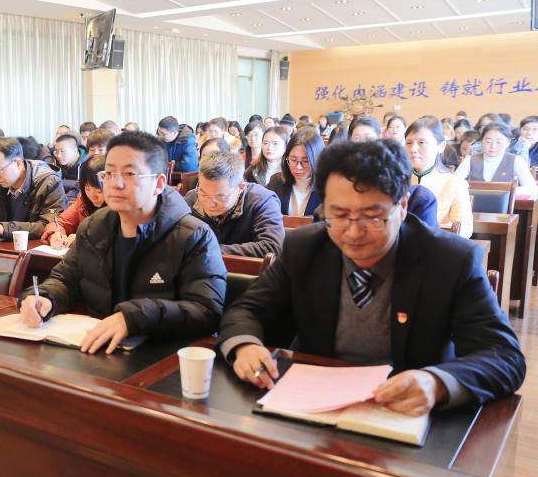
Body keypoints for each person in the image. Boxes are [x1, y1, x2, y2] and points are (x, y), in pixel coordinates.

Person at [217, 139, 525, 414]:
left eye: (373, 216)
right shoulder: (305, 247)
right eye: (339, 215)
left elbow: (504, 357)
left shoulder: (450, 260)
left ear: (402, 206)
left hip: (405, 411)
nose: (353, 232)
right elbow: (248, 309)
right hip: (315, 402)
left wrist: (437, 383)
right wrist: (246, 346)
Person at [18, 131, 226, 354]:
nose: (115, 183)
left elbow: (206, 311)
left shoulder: (193, 236)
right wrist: (46, 297)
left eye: (129, 174)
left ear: (158, 183)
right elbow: (65, 279)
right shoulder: (93, 227)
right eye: (109, 173)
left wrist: (135, 318)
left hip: (163, 356)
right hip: (97, 349)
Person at [184, 152, 283, 258]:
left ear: (240, 188)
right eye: (203, 194)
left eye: (220, 197)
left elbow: (271, 247)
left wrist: (208, 250)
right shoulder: (192, 198)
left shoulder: (262, 200)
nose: (210, 204)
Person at [404, 117, 472, 238]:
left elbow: (464, 228)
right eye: (409, 143)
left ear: (441, 146)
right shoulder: (396, 180)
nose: (413, 149)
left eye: (421, 143)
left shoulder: (455, 183)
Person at [42, 155, 105, 248]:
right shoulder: (83, 201)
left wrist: (85, 239)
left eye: (99, 191)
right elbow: (60, 223)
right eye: (87, 189)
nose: (93, 196)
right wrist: (55, 234)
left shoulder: (120, 208)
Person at [455, 122, 537, 191]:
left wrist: (511, 191)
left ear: (508, 143)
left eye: (499, 142)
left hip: (506, 204)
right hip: (473, 203)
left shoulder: (516, 161)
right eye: (488, 141)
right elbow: (454, 183)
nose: (493, 146)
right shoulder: (470, 160)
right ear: (481, 141)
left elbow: (531, 189)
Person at [267, 128, 324, 217]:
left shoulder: (328, 187)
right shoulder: (277, 181)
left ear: (317, 160)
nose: (298, 167)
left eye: (305, 161)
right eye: (293, 160)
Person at [52, 132, 87, 202]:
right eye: (56, 151)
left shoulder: (87, 165)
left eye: (62, 151)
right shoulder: (55, 162)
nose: (58, 155)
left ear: (75, 151)